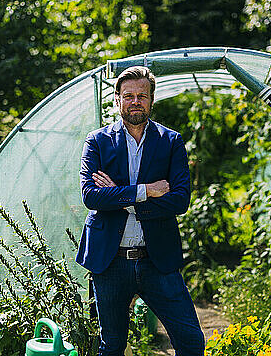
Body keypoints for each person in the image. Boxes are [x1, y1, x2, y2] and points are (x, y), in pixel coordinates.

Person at [76, 66, 205, 355]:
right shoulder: (97, 141)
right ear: (117, 99)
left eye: (142, 96)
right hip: (110, 261)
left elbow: (180, 200)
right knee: (112, 346)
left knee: (192, 342)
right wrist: (145, 191)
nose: (136, 101)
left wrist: (117, 196)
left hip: (156, 259)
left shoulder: (170, 142)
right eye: (129, 95)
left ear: (151, 100)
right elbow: (91, 196)